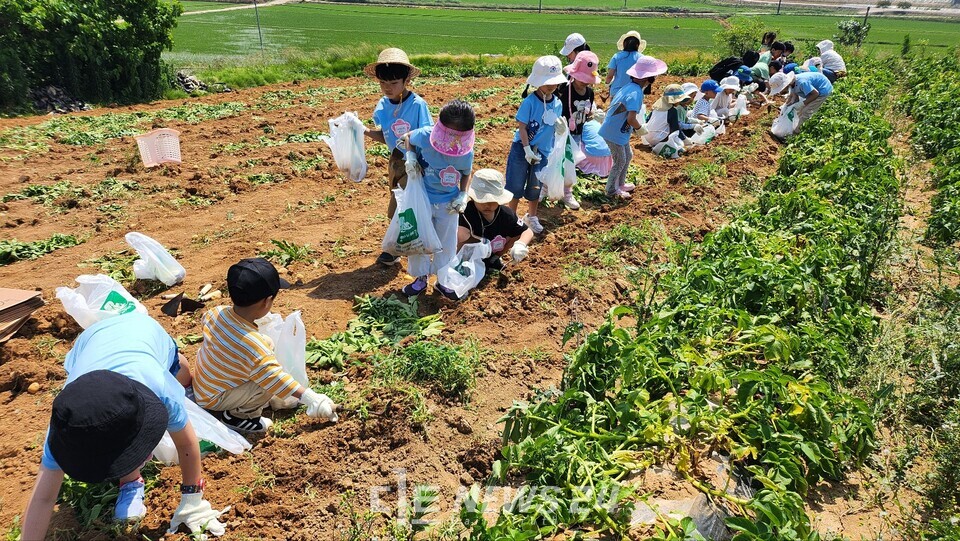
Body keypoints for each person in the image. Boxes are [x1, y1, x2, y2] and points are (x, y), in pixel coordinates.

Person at [22, 313, 228, 539]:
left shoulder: (162, 392)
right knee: (116, 437)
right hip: (92, 342)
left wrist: (192, 499)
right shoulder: (67, 428)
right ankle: (131, 482)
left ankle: (183, 373)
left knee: (178, 370)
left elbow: (186, 442)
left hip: (147, 333)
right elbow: (42, 499)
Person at [193, 258, 338, 433]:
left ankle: (236, 400)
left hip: (204, 384)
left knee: (266, 344)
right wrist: (311, 398)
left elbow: (221, 336)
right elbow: (275, 379)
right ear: (266, 301)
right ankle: (239, 417)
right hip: (215, 398)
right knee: (264, 385)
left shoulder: (215, 313)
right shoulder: (252, 346)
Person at [363, 48, 433, 267]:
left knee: (410, 207)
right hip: (395, 163)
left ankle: (403, 249)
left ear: (406, 80)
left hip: (415, 164)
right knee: (395, 207)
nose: (387, 88)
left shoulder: (417, 105)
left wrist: (413, 152)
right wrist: (362, 131)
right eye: (383, 83)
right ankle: (400, 247)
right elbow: (385, 136)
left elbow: (429, 133)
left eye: (393, 83)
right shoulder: (383, 106)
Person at [400, 99, 476, 300]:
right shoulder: (425, 136)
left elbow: (466, 173)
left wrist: (462, 193)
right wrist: (411, 156)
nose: (451, 142)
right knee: (419, 239)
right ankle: (420, 278)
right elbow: (407, 137)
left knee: (447, 242)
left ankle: (443, 280)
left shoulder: (465, 152)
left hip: (448, 203)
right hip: (422, 198)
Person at [505, 56, 566, 234]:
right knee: (515, 185)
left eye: (554, 84)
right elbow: (522, 127)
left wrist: (560, 129)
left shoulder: (558, 103)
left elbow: (554, 126)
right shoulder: (530, 102)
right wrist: (526, 149)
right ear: (538, 83)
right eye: (548, 84)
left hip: (543, 151)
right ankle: (511, 216)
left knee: (535, 186)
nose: (552, 87)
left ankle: (531, 216)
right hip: (522, 149)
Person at [599, 55, 666, 199]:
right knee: (620, 160)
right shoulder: (635, 93)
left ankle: (620, 184)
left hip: (618, 131)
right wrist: (640, 129)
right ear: (648, 78)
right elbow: (631, 118)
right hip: (613, 132)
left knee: (628, 155)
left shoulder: (630, 87)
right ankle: (611, 190)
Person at [457, 169, 535, 274]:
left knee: (515, 234)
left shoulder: (506, 214)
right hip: (471, 252)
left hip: (494, 247)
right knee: (461, 235)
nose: (487, 205)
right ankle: (461, 263)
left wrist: (520, 244)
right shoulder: (466, 213)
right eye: (482, 200)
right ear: (473, 198)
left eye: (492, 201)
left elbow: (527, 231)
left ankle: (493, 259)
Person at [557, 51, 611, 194]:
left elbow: (588, 112)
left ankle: (567, 188)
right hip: (563, 130)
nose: (585, 83)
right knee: (561, 157)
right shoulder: (564, 90)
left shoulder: (589, 93)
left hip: (578, 131)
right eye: (582, 79)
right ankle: (556, 184)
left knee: (572, 158)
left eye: (588, 80)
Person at [768, 70, 833, 132]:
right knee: (798, 111)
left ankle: (796, 133)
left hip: (822, 90)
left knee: (806, 111)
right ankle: (795, 127)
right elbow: (793, 96)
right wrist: (786, 106)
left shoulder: (802, 82)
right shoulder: (792, 83)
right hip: (813, 91)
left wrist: (801, 104)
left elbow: (815, 94)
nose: (781, 91)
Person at [606, 31, 646, 100]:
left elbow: (610, 75)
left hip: (617, 92)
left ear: (624, 43)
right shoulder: (642, 58)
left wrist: (607, 84)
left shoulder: (617, 56)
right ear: (637, 45)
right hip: (634, 93)